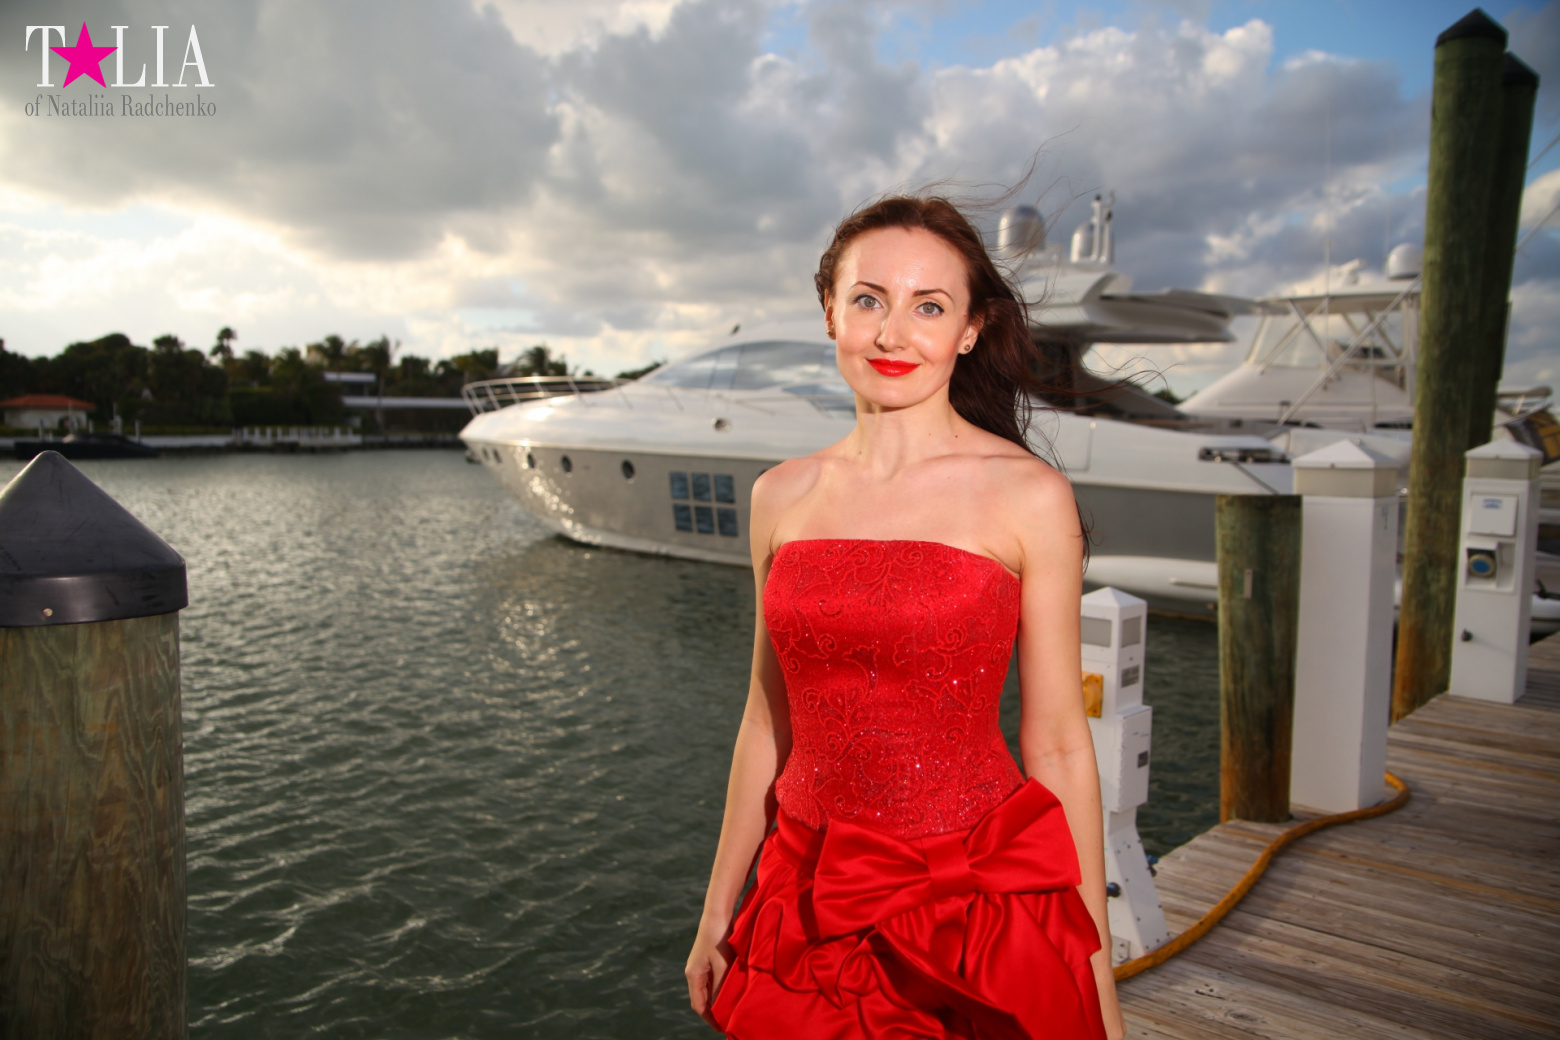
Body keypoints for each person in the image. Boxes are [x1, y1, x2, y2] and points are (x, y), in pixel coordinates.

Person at [685, 194, 1124, 1040]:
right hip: (808, 899)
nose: (893, 335)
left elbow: (1060, 745)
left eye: (929, 307)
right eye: (869, 300)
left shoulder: (1030, 496)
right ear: (830, 312)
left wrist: (1093, 972)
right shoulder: (779, 495)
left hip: (974, 908)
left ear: (970, 329)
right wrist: (715, 914)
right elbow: (766, 723)